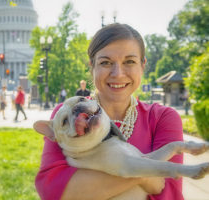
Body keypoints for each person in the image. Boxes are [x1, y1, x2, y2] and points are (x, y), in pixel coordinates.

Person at [35, 23, 184, 200]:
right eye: (105, 62)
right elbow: (52, 191)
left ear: (143, 65)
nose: (118, 73)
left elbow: (169, 193)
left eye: (129, 61)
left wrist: (89, 183)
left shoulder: (162, 118)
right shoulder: (66, 116)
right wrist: (146, 171)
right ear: (92, 66)